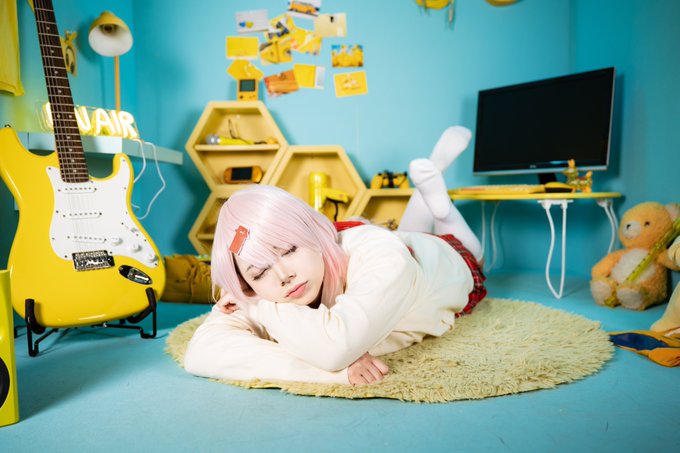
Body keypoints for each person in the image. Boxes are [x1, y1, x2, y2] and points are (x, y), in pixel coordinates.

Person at [183, 126, 486, 386]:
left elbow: (335, 348)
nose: (283, 275)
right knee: (405, 234)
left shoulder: (383, 258)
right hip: (396, 249)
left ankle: (440, 204)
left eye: (289, 250)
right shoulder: (255, 290)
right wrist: (335, 375)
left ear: (313, 233)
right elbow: (201, 353)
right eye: (259, 272)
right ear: (244, 283)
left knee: (472, 252)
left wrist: (258, 305)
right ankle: (427, 190)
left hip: (444, 262)